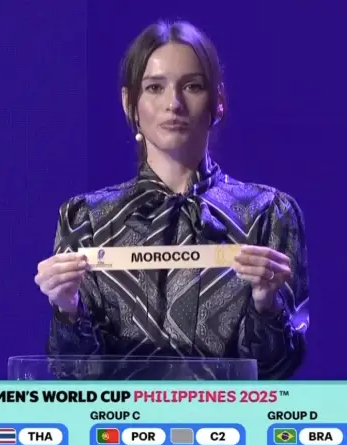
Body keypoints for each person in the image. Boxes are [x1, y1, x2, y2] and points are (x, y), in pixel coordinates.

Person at [34, 20, 309, 380]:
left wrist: (266, 306)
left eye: (192, 86)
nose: (173, 104)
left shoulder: (268, 213)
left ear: (218, 101)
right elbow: (75, 376)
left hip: (228, 418)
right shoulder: (86, 218)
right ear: (129, 103)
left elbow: (278, 371)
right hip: (121, 418)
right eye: (155, 87)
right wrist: (67, 310)